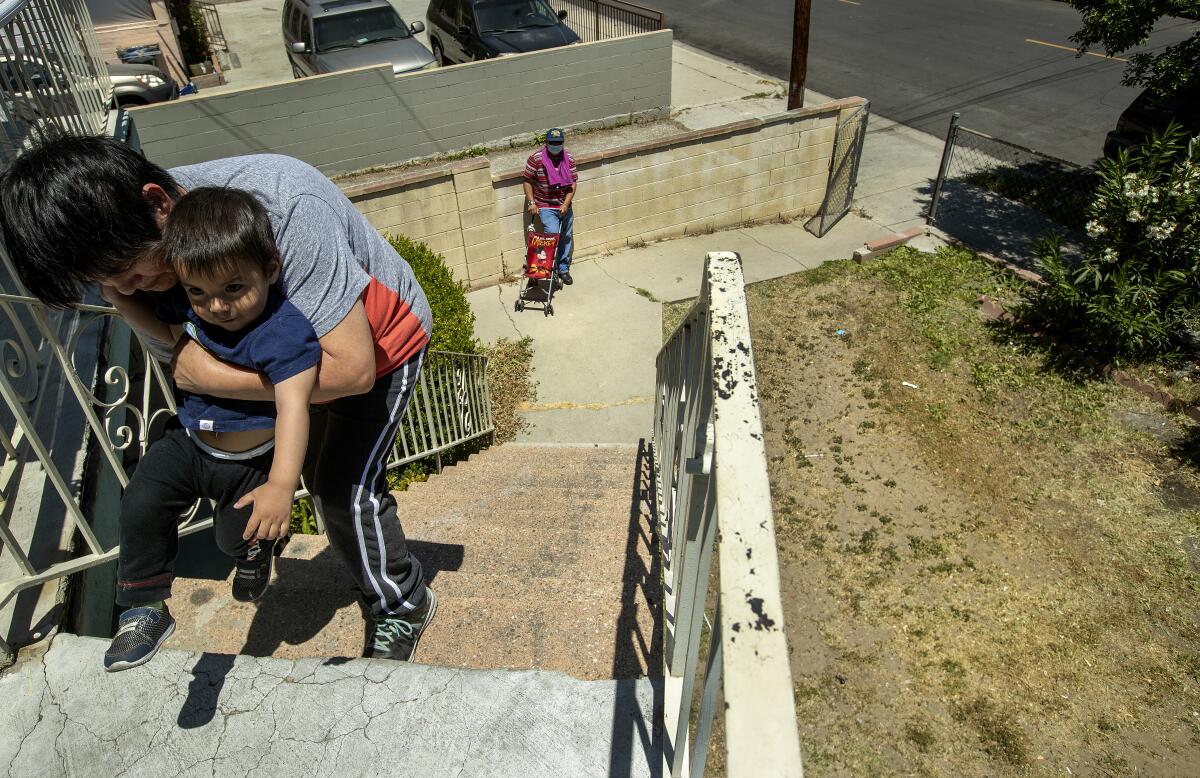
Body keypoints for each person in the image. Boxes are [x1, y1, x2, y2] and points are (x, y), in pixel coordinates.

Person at [0, 137, 437, 663]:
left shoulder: (284, 205)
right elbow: (178, 349)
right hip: (275, 359)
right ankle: (248, 551)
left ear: (159, 203)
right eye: (110, 284)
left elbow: (350, 371)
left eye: (136, 273)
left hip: (380, 343)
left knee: (341, 487)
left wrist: (213, 379)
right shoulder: (134, 247)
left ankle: (401, 601)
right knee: (280, 468)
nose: (132, 287)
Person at [102, 187, 320, 671]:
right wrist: (119, 297)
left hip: (248, 464)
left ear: (269, 268)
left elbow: (294, 408)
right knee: (141, 501)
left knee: (230, 537)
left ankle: (252, 554)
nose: (216, 307)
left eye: (233, 289)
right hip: (189, 441)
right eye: (199, 292)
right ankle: (144, 608)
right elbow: (163, 330)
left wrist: (282, 485)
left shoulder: (285, 332)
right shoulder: (189, 302)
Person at [523, 127, 578, 285]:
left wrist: (566, 204)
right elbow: (527, 180)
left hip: (564, 204)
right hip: (546, 205)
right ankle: (548, 269)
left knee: (566, 237)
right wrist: (532, 202)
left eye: (558, 143)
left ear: (562, 143)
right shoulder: (536, 159)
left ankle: (563, 269)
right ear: (546, 143)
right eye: (552, 143)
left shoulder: (568, 158)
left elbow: (573, 183)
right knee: (552, 237)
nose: (556, 145)